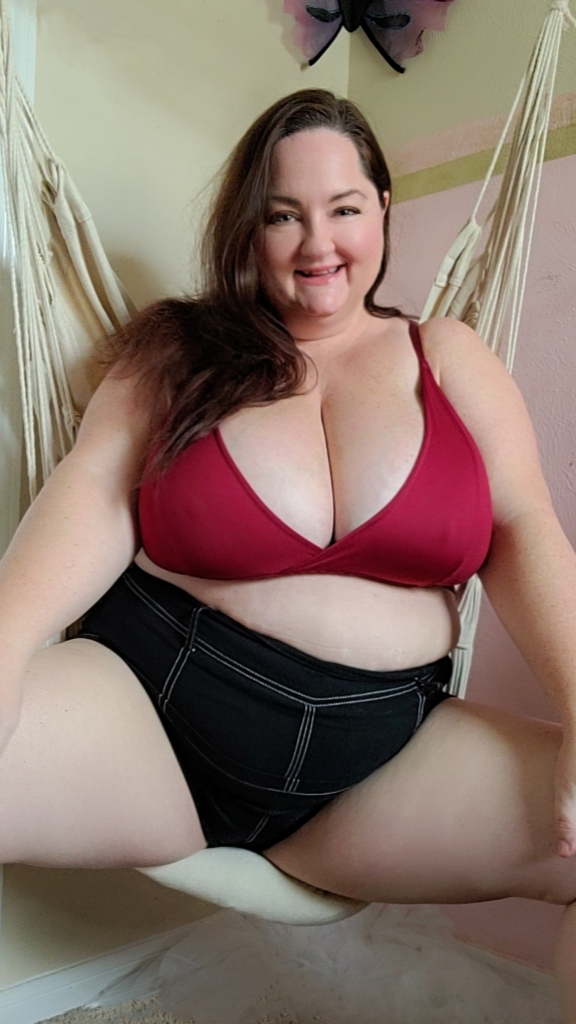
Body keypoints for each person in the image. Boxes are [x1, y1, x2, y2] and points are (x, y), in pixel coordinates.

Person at [1, 88, 576, 1016]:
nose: (318, 244)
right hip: (151, 717)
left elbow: (523, 529)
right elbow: (94, 493)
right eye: (282, 216)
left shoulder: (450, 357)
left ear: (381, 206)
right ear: (249, 226)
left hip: (384, 766)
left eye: (343, 209)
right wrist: (3, 651)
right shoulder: (180, 346)